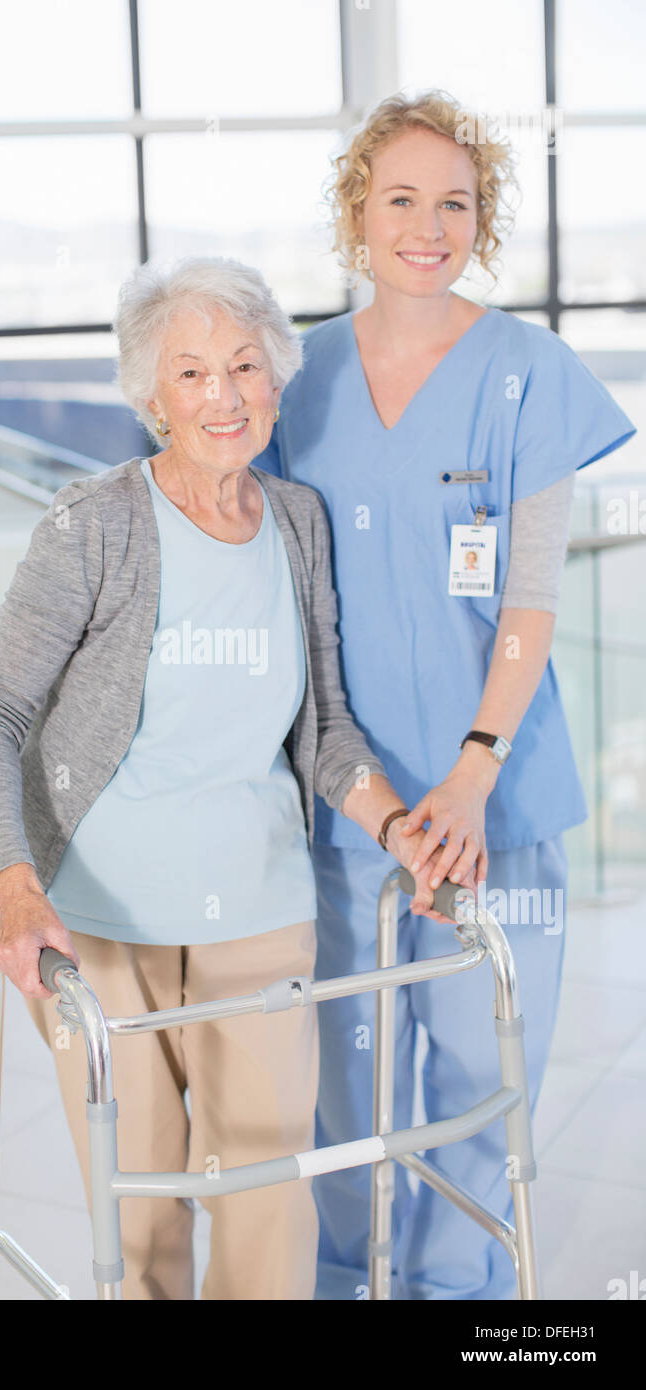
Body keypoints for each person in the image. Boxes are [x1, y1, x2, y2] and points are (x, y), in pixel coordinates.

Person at [0, 256, 454, 1301]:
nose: (223, 395)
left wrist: (399, 826)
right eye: (190, 373)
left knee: (269, 1212)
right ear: (152, 397)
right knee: (137, 1228)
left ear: (277, 380)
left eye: (244, 366)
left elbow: (327, 735)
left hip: (261, 918)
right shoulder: (92, 524)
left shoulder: (299, 522)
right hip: (101, 926)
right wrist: (14, 885)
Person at [253, 90, 636, 1301]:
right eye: (400, 199)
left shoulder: (528, 371)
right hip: (348, 802)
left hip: (494, 800)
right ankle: (339, 1282)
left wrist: (471, 776)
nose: (428, 225)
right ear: (356, 213)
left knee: (474, 1085)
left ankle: (455, 1299)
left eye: (455, 201)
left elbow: (529, 602)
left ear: (487, 217)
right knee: (343, 1088)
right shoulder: (294, 376)